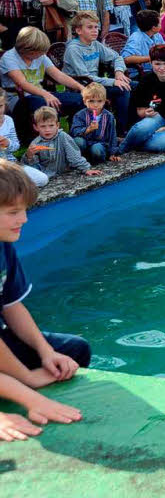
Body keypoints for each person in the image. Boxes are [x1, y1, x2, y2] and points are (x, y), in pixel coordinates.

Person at [0, 161, 89, 440]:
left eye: (24, 209)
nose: (24, 219)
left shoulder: (4, 245)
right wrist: (28, 387)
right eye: (13, 212)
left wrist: (45, 351)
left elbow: (11, 304)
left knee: (74, 352)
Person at [61, 12, 132, 132]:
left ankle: (133, 125)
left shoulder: (95, 44)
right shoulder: (74, 49)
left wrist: (119, 72)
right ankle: (121, 130)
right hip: (82, 87)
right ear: (78, 31)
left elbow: (117, 57)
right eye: (90, 27)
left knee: (133, 86)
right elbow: (85, 77)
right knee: (122, 88)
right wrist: (113, 82)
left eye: (96, 27)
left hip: (97, 84)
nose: (95, 31)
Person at [22, 107, 101, 178]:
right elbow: (34, 165)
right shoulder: (35, 143)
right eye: (43, 126)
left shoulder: (63, 137)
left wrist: (86, 169)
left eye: (51, 125)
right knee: (27, 168)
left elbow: (74, 155)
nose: (47, 129)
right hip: (45, 173)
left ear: (57, 125)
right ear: (36, 127)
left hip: (65, 171)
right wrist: (29, 156)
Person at [0, 98, 47, 188]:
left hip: (10, 163)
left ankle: (9, 185)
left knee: (42, 179)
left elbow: (16, 146)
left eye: (0, 106)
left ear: (5, 105)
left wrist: (8, 143)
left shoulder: (8, 120)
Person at [69, 83, 120, 164]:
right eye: (91, 101)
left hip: (100, 144)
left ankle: (96, 162)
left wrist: (112, 153)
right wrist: (88, 129)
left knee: (97, 150)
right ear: (85, 101)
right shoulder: (79, 115)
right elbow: (74, 131)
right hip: (84, 142)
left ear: (104, 101)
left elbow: (112, 136)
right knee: (78, 141)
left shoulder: (109, 116)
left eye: (99, 101)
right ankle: (78, 160)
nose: (95, 105)